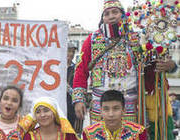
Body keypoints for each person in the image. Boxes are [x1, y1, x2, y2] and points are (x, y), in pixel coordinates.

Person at [72, 0, 176, 128]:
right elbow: (81, 70)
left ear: (123, 15)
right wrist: (79, 100)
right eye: (107, 14)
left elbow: (153, 64)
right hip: (100, 104)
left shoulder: (138, 38)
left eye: (115, 12)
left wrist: (170, 66)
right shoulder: (92, 40)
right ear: (102, 18)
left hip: (130, 103)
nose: (111, 16)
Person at [66, 43, 78, 131]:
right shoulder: (56, 67)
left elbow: (78, 88)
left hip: (71, 104)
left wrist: (68, 89)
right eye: (69, 51)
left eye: (73, 52)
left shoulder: (76, 69)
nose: (71, 54)